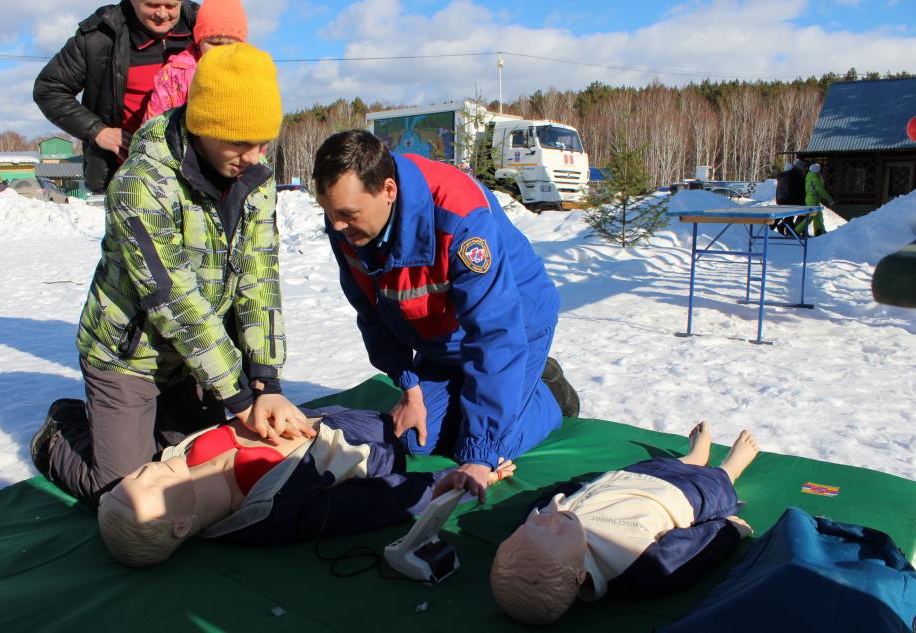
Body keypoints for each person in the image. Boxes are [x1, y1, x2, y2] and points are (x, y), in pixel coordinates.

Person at [30, 43, 308, 509]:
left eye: (263, 142)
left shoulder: (255, 179)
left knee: (196, 464)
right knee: (128, 494)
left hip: (193, 359)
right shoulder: (143, 183)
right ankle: (60, 434)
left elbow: (259, 280)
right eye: (240, 143)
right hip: (128, 356)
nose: (255, 157)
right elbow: (175, 300)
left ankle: (156, 421)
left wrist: (265, 382)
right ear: (203, 126)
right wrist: (239, 400)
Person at [312, 129, 578, 504]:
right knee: (414, 438)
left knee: (484, 449)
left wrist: (479, 457)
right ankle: (501, 398)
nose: (336, 226)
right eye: (329, 213)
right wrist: (410, 386)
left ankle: (549, 393)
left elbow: (495, 334)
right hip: (441, 336)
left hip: (517, 324)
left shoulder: (460, 218)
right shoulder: (346, 224)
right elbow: (370, 308)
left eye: (347, 215)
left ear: (388, 190)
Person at [97, 405, 516, 567]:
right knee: (495, 425)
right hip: (374, 445)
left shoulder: (176, 461)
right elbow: (371, 504)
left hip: (334, 415)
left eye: (132, 477)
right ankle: (550, 398)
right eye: (143, 490)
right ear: (181, 526)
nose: (143, 473)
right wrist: (450, 482)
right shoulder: (267, 517)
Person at [490, 422, 759, 625]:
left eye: (532, 524)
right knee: (715, 485)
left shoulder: (539, 522)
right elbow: (688, 553)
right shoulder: (634, 567)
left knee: (655, 466)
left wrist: (579, 488)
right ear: (580, 574)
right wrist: (728, 530)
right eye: (557, 531)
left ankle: (693, 458)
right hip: (680, 497)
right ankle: (731, 467)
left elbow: (546, 500)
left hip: (626, 480)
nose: (549, 517)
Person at [33, 1, 199, 193]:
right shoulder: (101, 35)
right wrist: (98, 131)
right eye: (152, 5)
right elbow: (49, 89)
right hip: (127, 179)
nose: (162, 14)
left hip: (195, 178)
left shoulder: (205, 27)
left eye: (170, 6)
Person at [142, 0, 247, 124]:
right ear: (199, 41)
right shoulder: (174, 76)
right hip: (177, 141)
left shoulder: (250, 75)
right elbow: (150, 128)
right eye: (214, 43)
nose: (221, 51)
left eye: (230, 44)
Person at [795, 163, 834, 236]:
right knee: (811, 217)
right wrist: (829, 199)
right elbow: (821, 190)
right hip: (813, 200)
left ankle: (818, 231)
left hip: (810, 200)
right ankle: (797, 231)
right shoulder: (815, 179)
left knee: (818, 216)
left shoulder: (809, 177)